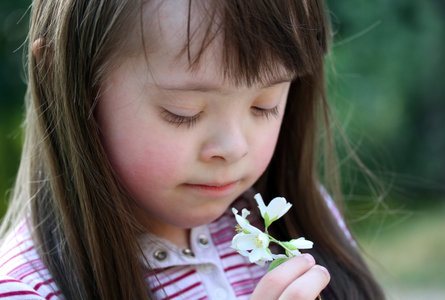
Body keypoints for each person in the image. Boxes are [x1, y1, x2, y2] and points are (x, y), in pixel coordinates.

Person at [0, 0, 385, 299]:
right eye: (184, 113)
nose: (233, 148)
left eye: (264, 105)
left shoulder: (286, 226)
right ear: (63, 79)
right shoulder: (26, 289)